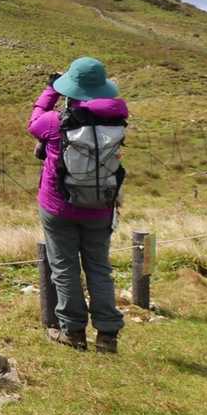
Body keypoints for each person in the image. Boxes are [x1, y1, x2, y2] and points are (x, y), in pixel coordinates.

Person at [28, 56, 130, 353]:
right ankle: (107, 335)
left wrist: (51, 89)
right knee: (99, 267)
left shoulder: (54, 122)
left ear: (71, 88)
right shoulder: (117, 119)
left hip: (58, 206)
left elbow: (34, 122)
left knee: (64, 267)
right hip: (100, 205)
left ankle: (72, 332)